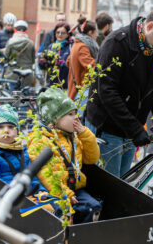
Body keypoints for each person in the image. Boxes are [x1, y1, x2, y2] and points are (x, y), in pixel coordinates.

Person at [85, 7, 153, 177]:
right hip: (107, 127)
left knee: (122, 186)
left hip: (130, 128)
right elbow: (107, 91)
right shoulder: (117, 43)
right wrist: (135, 129)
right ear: (150, 26)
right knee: (109, 188)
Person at [28, 88, 101, 223]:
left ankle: (83, 235)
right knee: (64, 212)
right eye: (71, 114)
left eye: (76, 113)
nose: (76, 118)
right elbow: (44, 174)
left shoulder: (74, 137)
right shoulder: (40, 139)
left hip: (75, 189)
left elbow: (92, 159)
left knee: (93, 206)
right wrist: (64, 194)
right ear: (55, 120)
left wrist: (85, 134)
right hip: (55, 191)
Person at [0, 105, 45, 191]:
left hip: (27, 197)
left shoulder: (23, 152)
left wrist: (41, 191)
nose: (6, 130)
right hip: (5, 200)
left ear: (17, 133)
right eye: (0, 127)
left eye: (11, 127)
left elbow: (33, 178)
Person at [67, 17, 99, 106]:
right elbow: (92, 66)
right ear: (90, 32)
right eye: (96, 32)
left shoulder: (77, 44)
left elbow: (68, 61)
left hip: (78, 90)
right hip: (81, 91)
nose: (97, 35)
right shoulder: (82, 47)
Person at [39, 22, 73, 89]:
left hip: (66, 85)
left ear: (68, 34)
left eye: (63, 33)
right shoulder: (51, 47)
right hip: (52, 84)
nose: (60, 35)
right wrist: (42, 62)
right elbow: (44, 67)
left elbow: (72, 65)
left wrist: (60, 62)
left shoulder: (71, 47)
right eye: (57, 32)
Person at [5, 20, 35, 90]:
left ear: (15, 30)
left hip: (13, 73)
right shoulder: (31, 43)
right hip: (27, 74)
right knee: (26, 97)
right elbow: (33, 60)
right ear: (25, 30)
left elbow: (6, 57)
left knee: (13, 96)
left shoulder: (10, 42)